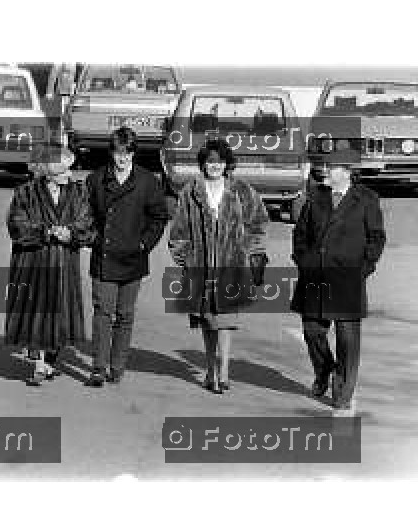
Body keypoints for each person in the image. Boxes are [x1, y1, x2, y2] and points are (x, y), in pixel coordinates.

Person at [168, 138, 269, 394]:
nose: (215, 166)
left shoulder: (242, 190)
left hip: (231, 265)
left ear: (227, 164)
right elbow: (179, 230)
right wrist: (184, 259)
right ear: (203, 163)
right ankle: (210, 369)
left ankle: (223, 372)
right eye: (210, 161)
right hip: (200, 266)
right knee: (206, 321)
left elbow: (257, 222)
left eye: (220, 161)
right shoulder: (190, 191)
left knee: (225, 321)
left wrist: (252, 252)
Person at [291, 163, 386, 415]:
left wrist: (364, 267)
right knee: (312, 331)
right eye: (324, 167)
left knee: (348, 340)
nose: (325, 172)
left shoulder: (366, 199)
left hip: (348, 278)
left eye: (331, 168)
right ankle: (324, 371)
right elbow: (300, 234)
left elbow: (376, 236)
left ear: (346, 172)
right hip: (316, 274)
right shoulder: (315, 196)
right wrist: (303, 260)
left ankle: (343, 392)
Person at [5, 143, 96, 385]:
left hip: (65, 262)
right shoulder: (25, 193)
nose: (70, 174)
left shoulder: (78, 192)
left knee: (60, 313)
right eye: (65, 170)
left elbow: (87, 223)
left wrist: (73, 234)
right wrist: (46, 232)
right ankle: (39, 363)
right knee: (37, 311)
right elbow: (17, 226)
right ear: (50, 172)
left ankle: (48, 361)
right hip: (34, 262)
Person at [87, 126, 170, 386]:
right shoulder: (96, 179)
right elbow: (84, 213)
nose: (122, 158)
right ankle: (99, 367)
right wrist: (94, 238)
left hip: (134, 257)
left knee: (125, 314)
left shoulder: (147, 182)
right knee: (103, 311)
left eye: (127, 153)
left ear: (134, 153)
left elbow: (159, 217)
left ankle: (117, 366)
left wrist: (145, 244)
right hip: (105, 254)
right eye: (118, 152)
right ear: (111, 152)